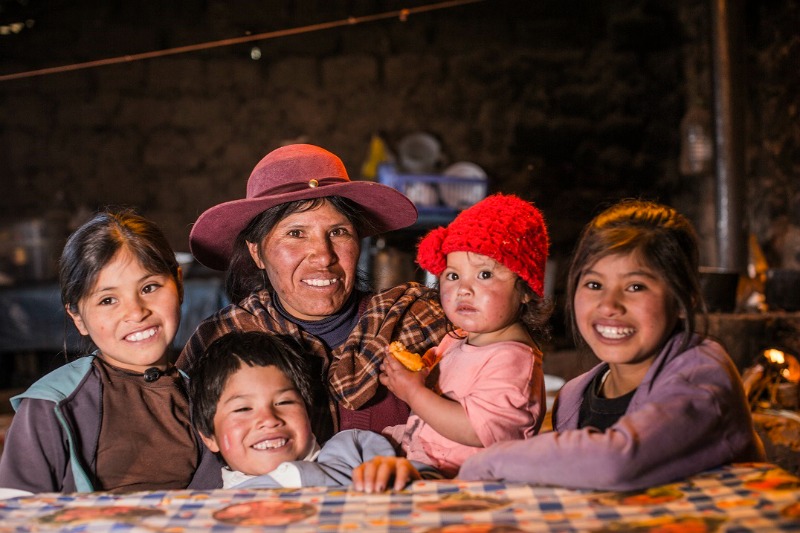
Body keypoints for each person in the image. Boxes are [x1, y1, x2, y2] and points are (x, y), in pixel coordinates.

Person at [458, 199, 766, 491]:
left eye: (635, 286)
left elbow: (617, 461)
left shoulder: (700, 374)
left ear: (683, 300)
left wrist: (484, 462)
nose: (609, 305)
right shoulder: (574, 397)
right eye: (594, 284)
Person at [178, 143, 448, 443]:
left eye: (338, 232)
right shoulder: (221, 339)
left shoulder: (416, 319)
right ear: (257, 253)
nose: (323, 256)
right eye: (296, 233)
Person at [0, 210, 221, 494]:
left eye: (149, 287)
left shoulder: (208, 396)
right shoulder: (53, 405)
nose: (136, 312)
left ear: (178, 283)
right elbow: (15, 508)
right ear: (77, 316)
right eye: (107, 300)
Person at [375, 193, 552, 478]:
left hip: (455, 475)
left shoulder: (513, 359)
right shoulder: (457, 339)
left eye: (484, 275)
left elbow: (477, 431)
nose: (463, 289)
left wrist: (413, 392)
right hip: (418, 452)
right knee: (351, 443)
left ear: (527, 290)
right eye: (453, 276)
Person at [190, 330, 436, 490]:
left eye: (284, 402)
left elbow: (443, 488)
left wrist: (407, 475)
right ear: (208, 436)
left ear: (307, 411)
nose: (269, 419)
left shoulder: (355, 447)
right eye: (243, 408)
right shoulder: (209, 510)